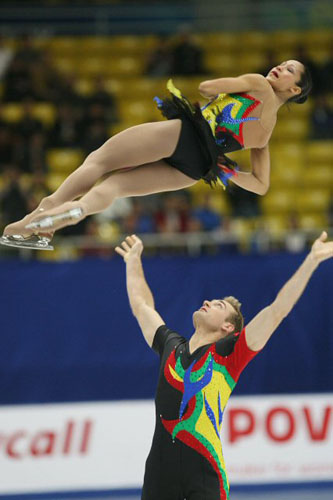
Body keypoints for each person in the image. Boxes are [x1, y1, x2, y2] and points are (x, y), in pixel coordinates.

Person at [0, 60, 312, 250]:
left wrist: (224, 93)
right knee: (116, 187)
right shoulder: (267, 133)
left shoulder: (258, 83)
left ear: (295, 90)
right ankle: (76, 211)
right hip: (196, 169)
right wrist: (226, 170)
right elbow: (261, 185)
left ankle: (43, 214)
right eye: (283, 64)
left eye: (289, 70)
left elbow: (205, 86)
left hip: (186, 134)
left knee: (99, 161)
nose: (281, 68)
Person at [115, 231, 333, 500]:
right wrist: (133, 261)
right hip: (159, 472)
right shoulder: (170, 345)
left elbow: (278, 309)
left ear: (228, 327)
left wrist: (311, 260)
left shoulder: (231, 354)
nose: (206, 302)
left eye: (217, 305)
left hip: (205, 473)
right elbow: (141, 305)